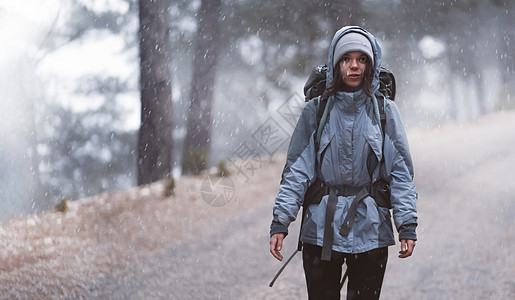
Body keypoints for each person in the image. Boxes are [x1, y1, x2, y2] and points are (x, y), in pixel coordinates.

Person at [269, 26, 418, 299]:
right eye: (346, 59)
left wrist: (406, 224)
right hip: (320, 231)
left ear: (371, 64)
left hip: (371, 229)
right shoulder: (316, 110)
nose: (354, 66)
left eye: (361, 59)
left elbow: (400, 173)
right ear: (335, 63)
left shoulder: (385, 111)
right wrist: (281, 221)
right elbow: (296, 172)